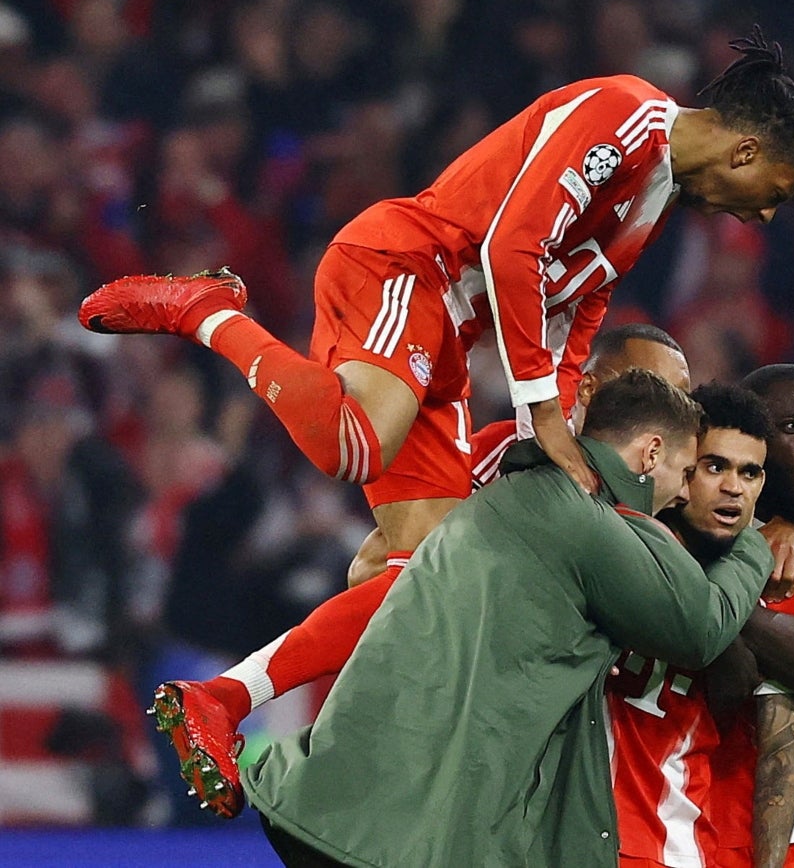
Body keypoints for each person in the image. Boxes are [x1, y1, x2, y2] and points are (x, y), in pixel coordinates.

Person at [78, 26, 794, 575]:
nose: (765, 216)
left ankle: (261, 706)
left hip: (449, 332)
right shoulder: (626, 115)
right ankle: (204, 311)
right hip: (406, 266)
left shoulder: (655, 197)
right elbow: (511, 246)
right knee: (355, 444)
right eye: (774, 194)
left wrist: (550, 428)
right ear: (744, 152)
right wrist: (546, 414)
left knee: (421, 566)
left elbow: (578, 312)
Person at [148, 322, 691, 818]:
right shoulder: (513, 455)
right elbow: (384, 567)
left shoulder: (693, 509)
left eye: (680, 399)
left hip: (622, 775)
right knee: (418, 578)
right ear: (591, 390)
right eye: (649, 390)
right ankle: (229, 700)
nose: (667, 413)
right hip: (481, 749)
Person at [243, 370, 777, 868]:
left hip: (335, 804)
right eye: (687, 473)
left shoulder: (517, 493)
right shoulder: (584, 523)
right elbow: (700, 627)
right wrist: (755, 542)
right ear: (651, 452)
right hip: (409, 832)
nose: (685, 492)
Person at [607, 364, 794, 868]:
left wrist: (778, 533)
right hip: (682, 818)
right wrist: (734, 571)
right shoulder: (662, 532)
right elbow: (730, 686)